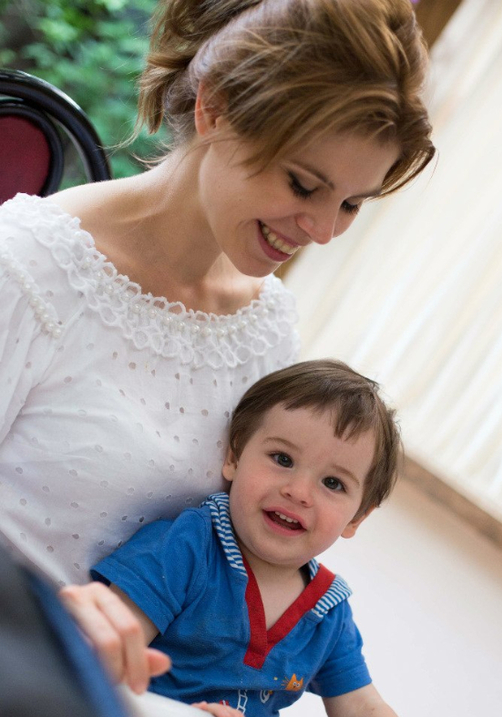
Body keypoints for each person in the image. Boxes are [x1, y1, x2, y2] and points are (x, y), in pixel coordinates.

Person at [0, 0, 434, 591]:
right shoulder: (27, 268)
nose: (324, 230)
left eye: (351, 204)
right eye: (303, 184)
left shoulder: (264, 327)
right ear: (215, 108)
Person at [61, 359, 406, 717]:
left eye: (333, 483)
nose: (298, 491)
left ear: (357, 518)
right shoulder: (186, 546)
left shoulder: (328, 612)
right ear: (234, 457)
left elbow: (363, 707)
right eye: (282, 458)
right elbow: (106, 646)